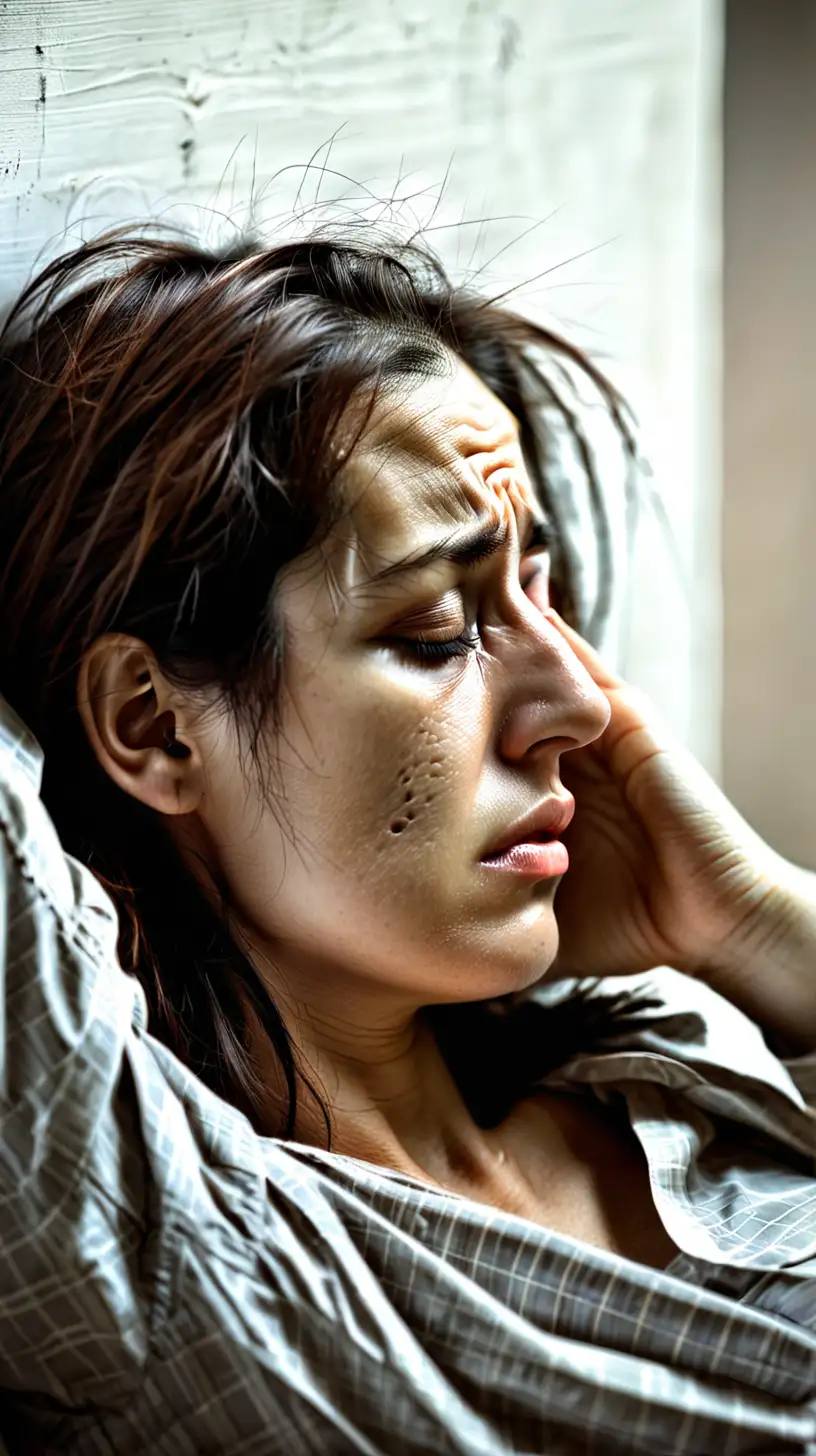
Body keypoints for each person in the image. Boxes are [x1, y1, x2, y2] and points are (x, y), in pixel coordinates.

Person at [0, 228, 814, 1455]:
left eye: (540, 593)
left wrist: (759, 922)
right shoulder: (174, 1246)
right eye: (438, 630)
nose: (583, 708)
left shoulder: (673, 1061)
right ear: (153, 723)